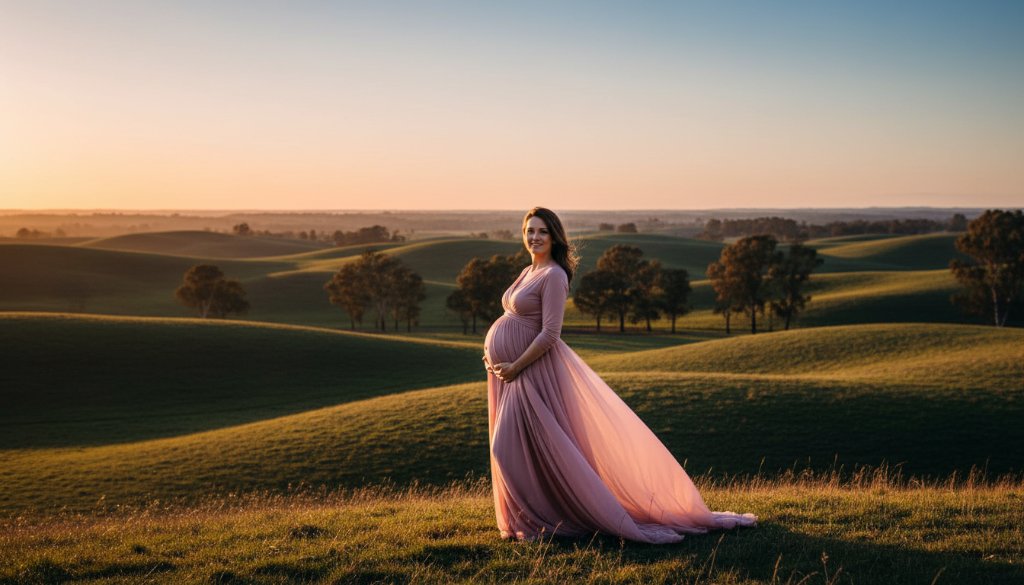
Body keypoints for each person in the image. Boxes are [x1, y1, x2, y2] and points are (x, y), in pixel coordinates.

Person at [482, 207, 757, 543]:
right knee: (526, 449)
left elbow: (551, 333)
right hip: (509, 373)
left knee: (505, 448)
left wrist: (515, 364)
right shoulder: (528, 270)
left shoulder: (554, 275)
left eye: (541, 231)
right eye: (529, 231)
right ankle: (533, 521)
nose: (534, 237)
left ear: (554, 237)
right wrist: (494, 353)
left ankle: (542, 520)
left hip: (532, 373)